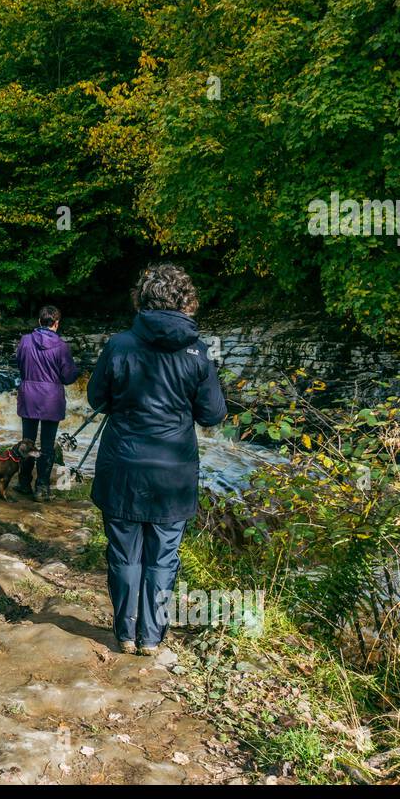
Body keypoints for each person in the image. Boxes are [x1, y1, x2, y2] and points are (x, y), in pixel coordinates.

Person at [87, 264, 226, 655]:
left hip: (123, 466)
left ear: (142, 299)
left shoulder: (119, 345)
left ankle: (125, 634)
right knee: (163, 556)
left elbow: (97, 398)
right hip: (173, 471)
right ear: (186, 300)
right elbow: (213, 414)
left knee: (123, 552)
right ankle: (151, 637)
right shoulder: (198, 351)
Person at [15, 304, 79, 501]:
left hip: (29, 396)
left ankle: (24, 482)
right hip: (51, 399)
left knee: (28, 441)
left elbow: (19, 363)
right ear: (56, 324)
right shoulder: (61, 346)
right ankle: (42, 487)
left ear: (39, 321)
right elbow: (68, 377)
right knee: (47, 445)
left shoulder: (25, 341)